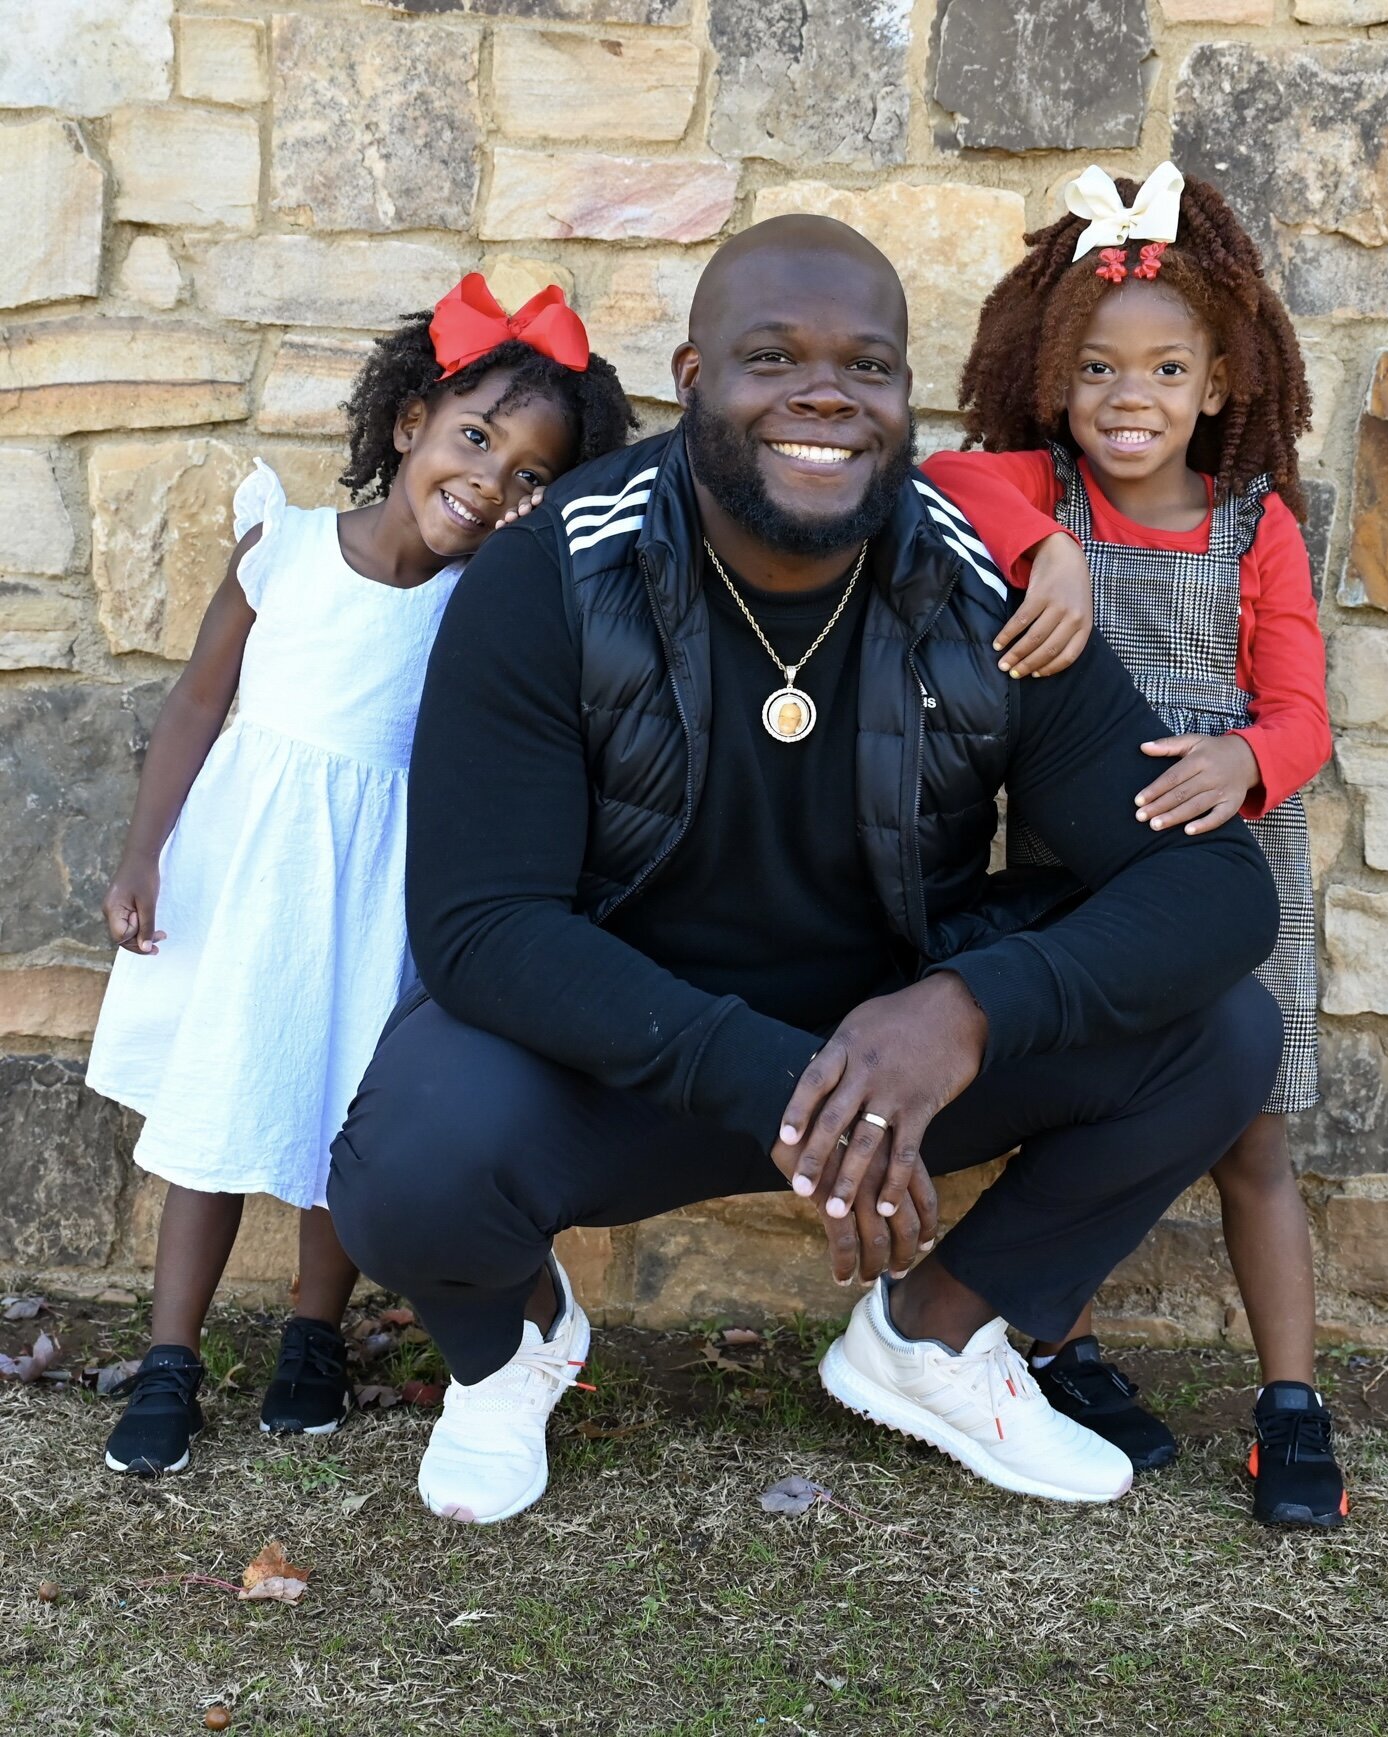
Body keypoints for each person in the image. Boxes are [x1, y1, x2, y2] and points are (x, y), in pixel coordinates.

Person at [327, 214, 1283, 1528]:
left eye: (865, 365)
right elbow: (481, 926)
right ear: (692, 375)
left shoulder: (982, 596)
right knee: (406, 1162)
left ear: (903, 395)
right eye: (771, 357)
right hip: (620, 1058)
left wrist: (966, 1010)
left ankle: (930, 1339)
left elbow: (1217, 890)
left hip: (893, 1059)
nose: (823, 393)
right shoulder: (552, 574)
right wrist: (788, 1085)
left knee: (1220, 1032)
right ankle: (513, 1352)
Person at [85, 277, 633, 1477]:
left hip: (384, 888)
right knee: (221, 1110)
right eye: (476, 438)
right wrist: (144, 853)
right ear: (408, 426)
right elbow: (194, 705)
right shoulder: (282, 550)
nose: (491, 482)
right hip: (251, 878)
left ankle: (311, 1338)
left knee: (345, 1111)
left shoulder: (481, 605)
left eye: (530, 475)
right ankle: (171, 1356)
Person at [923, 163, 1342, 1528]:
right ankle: (1061, 1349)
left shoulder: (1251, 524)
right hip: (1079, 878)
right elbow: (938, 474)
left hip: (1238, 862)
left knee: (1249, 1140)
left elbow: (1299, 711)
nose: (1128, 398)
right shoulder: (1034, 493)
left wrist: (1245, 758)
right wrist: (1049, 550)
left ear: (1218, 385)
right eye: (1096, 368)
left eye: (1165, 369)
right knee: (1081, 1109)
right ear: (1054, 375)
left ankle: (1289, 1402)